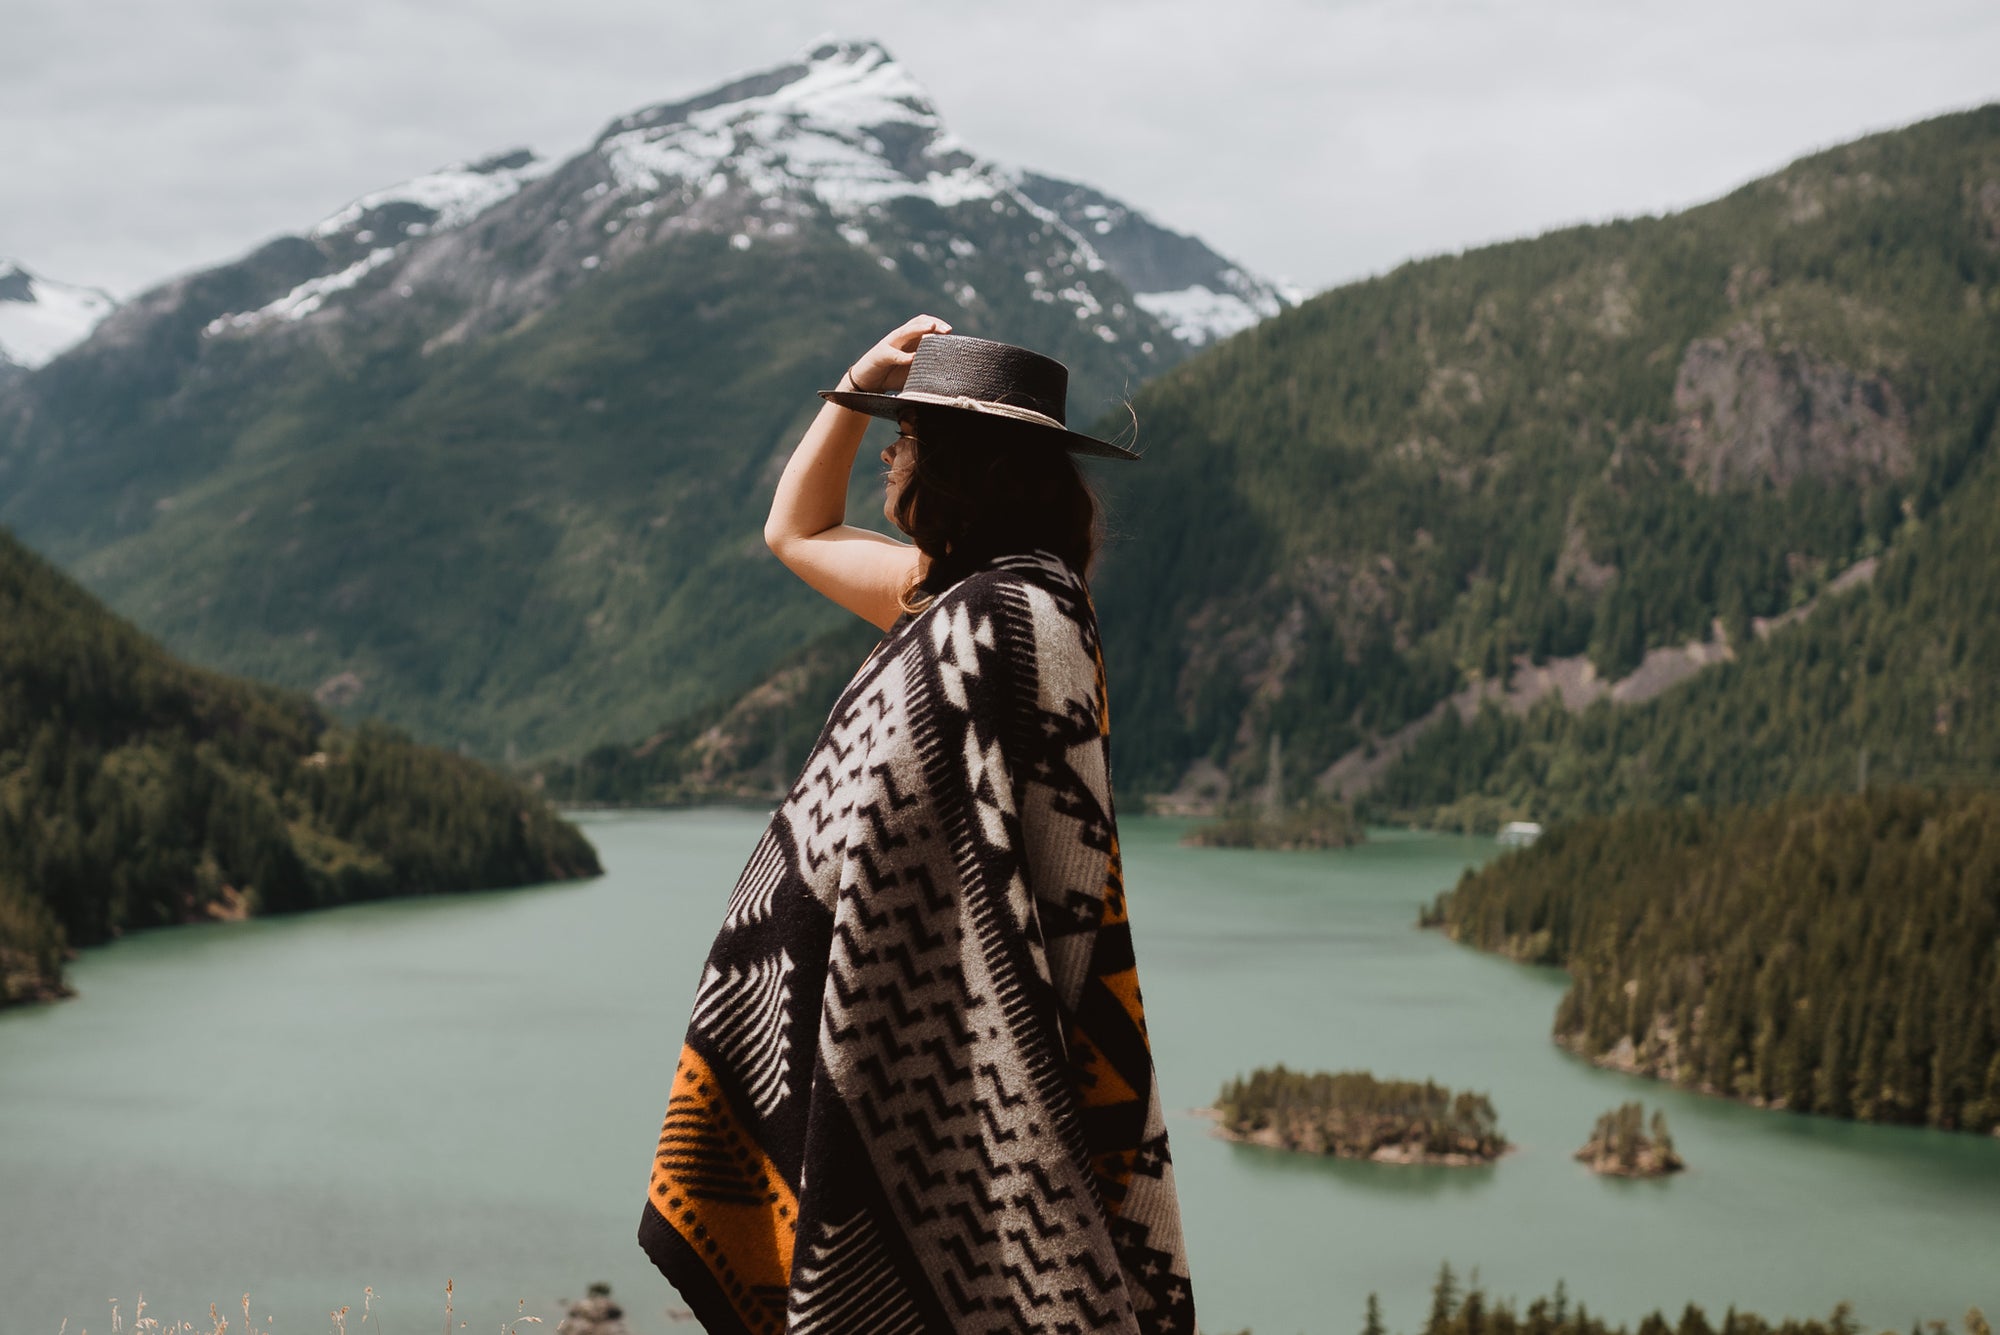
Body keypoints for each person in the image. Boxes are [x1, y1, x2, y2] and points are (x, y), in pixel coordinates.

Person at [638, 317, 1196, 1335]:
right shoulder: (948, 598)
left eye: (899, 442)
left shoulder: (1017, 620)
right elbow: (793, 533)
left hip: (945, 1028)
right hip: (900, 1010)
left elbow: (965, 845)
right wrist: (857, 384)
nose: (885, 460)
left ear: (948, 469)